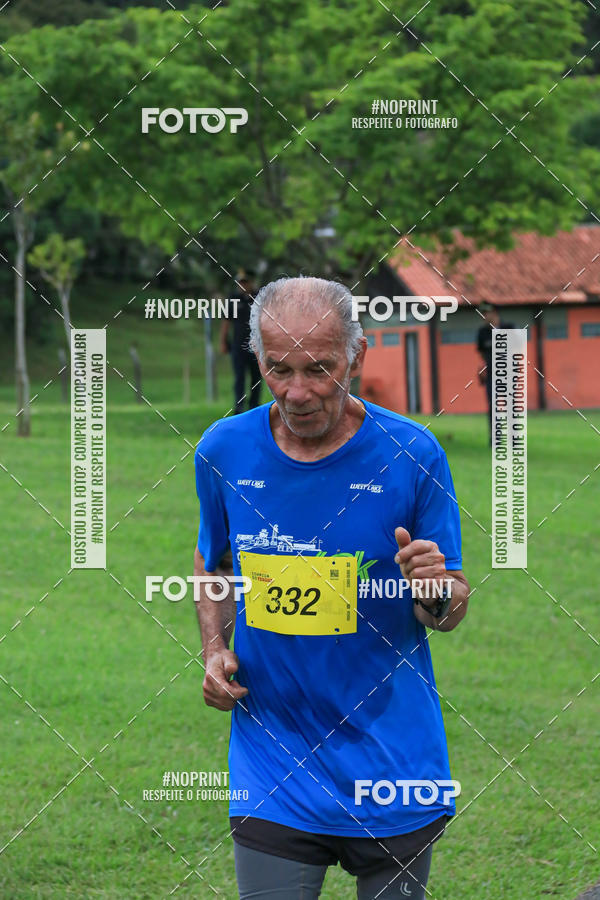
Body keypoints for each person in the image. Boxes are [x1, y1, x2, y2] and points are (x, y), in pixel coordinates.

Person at [194, 276, 470, 899]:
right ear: (258, 362)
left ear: (358, 356)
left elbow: (449, 608)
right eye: (279, 369)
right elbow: (213, 565)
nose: (298, 392)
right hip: (273, 758)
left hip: (390, 760)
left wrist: (432, 588)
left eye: (320, 369)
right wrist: (214, 648)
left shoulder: (412, 453)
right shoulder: (223, 451)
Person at [220, 267, 262, 413]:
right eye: (240, 282)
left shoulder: (259, 297)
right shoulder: (232, 299)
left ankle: (254, 405)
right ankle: (239, 405)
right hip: (238, 346)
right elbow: (226, 321)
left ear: (251, 282)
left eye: (245, 282)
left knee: (256, 377)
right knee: (239, 377)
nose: (243, 285)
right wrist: (223, 341)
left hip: (257, 345)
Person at [476, 301, 515, 444]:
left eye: (486, 313)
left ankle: (514, 439)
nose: (484, 316)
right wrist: (483, 368)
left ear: (494, 313)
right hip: (491, 375)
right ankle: (495, 439)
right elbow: (481, 353)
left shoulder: (509, 328)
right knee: (493, 406)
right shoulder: (482, 332)